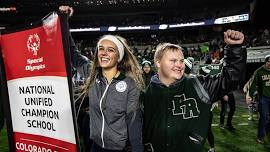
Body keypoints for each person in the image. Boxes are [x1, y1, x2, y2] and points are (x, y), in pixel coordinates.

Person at [142, 30, 246, 152]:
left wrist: (235, 48)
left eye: (181, 61)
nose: (179, 65)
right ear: (158, 63)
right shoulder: (144, 94)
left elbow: (231, 78)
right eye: (173, 60)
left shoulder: (198, 86)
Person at [59, 6, 145, 152]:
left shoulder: (130, 84)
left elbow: (134, 122)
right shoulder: (92, 74)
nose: (104, 53)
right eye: (101, 48)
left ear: (119, 57)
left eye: (110, 50)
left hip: (120, 148)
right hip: (96, 146)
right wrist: (64, 22)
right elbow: (72, 53)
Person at [248, 54, 270, 144]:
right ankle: (260, 137)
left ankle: (268, 132)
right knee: (263, 118)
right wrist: (250, 95)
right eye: (269, 62)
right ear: (265, 62)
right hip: (263, 98)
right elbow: (253, 84)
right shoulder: (259, 71)